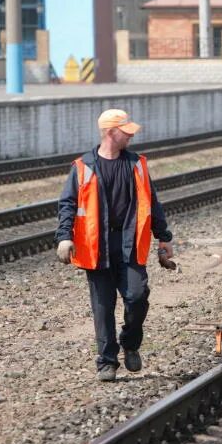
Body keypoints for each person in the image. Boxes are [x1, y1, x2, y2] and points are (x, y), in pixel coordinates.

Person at [56, 109, 174, 382]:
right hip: (96, 246)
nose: (131, 134)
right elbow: (68, 205)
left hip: (130, 243)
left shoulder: (137, 164)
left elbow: (152, 202)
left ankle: (130, 343)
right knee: (103, 306)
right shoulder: (82, 167)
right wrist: (64, 237)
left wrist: (164, 237)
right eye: (126, 130)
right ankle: (106, 362)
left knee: (137, 295)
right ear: (111, 132)